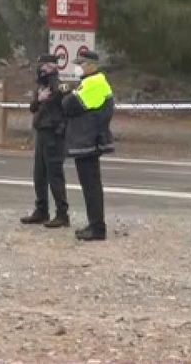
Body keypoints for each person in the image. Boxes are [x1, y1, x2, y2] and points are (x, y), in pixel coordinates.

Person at [60, 51, 115, 241]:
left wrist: (69, 94)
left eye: (81, 63)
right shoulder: (91, 82)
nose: (78, 67)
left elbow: (69, 105)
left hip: (88, 142)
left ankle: (97, 228)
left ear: (92, 65)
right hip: (87, 141)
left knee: (91, 186)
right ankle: (94, 224)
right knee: (90, 185)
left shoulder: (94, 83)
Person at [21, 54, 70, 229]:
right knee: (39, 174)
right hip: (41, 132)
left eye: (46, 66)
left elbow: (68, 110)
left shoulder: (59, 86)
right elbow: (33, 108)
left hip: (54, 134)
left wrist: (60, 131)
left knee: (54, 175)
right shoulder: (42, 86)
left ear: (54, 66)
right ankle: (41, 210)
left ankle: (62, 214)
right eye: (41, 65)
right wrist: (38, 99)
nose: (42, 69)